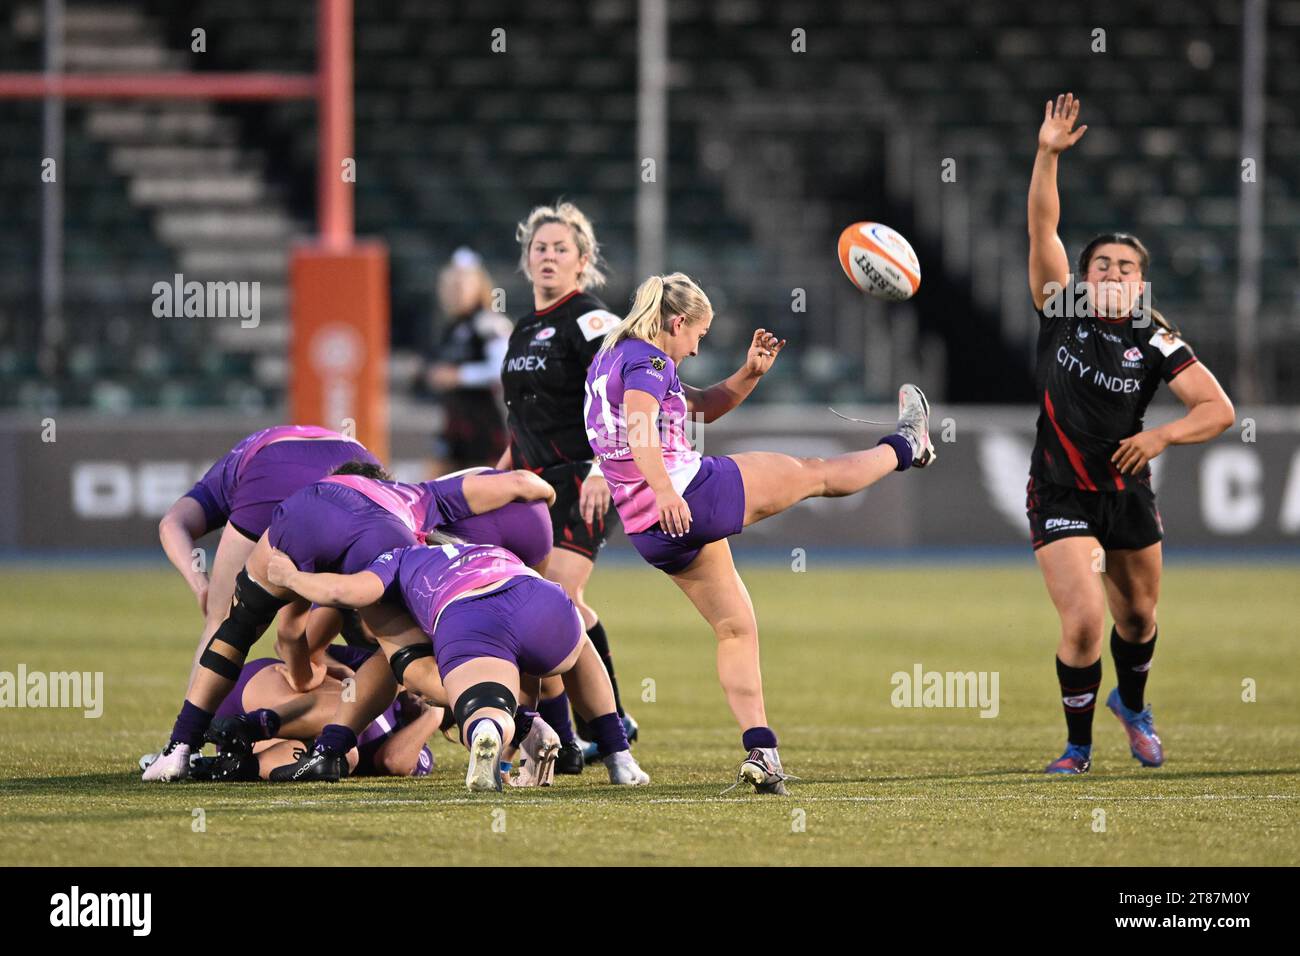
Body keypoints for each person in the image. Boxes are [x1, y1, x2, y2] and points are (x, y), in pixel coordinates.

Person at [585, 272, 935, 794]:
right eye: (698, 335)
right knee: (816, 473)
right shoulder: (650, 359)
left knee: (736, 628)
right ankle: (908, 443)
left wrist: (748, 374)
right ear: (676, 322)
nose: (698, 345)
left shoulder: (612, 357)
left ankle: (763, 752)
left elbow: (695, 407)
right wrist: (664, 488)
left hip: (651, 531)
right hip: (688, 496)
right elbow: (640, 428)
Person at [1027, 93, 1235, 774]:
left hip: (1127, 491)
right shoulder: (1063, 309)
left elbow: (1218, 409)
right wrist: (1047, 156)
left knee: (1138, 620)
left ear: (1142, 284)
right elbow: (1043, 229)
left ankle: (1133, 707)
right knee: (1085, 620)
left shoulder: (1155, 335)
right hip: (1060, 490)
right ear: (1083, 279)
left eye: (1126, 267)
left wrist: (1162, 438)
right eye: (1102, 265)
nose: (1113, 274)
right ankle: (1077, 748)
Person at [144, 461, 555, 781]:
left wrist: (294, 583)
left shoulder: (325, 493)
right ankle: (515, 722)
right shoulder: (418, 495)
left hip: (297, 516)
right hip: (380, 536)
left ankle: (179, 747)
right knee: (409, 664)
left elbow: (289, 632)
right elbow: (521, 483)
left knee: (235, 628)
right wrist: (550, 494)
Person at [266, 536, 650, 791]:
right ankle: (620, 758)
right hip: (537, 594)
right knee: (578, 646)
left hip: (467, 612)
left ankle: (486, 727)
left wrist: (290, 576)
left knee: (483, 704)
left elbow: (340, 591)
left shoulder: (397, 559)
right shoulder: (482, 546)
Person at [498, 201, 634, 772]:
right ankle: (607, 724)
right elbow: (520, 417)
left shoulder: (590, 317)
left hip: (584, 476)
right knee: (562, 601)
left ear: (583, 261)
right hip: (531, 485)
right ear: (527, 259)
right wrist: (496, 476)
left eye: (560, 249)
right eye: (540, 248)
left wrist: (607, 464)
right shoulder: (524, 326)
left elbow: (622, 390)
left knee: (555, 596)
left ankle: (571, 736)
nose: (548, 256)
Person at [201, 643, 441, 780]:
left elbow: (392, 762)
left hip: (257, 744)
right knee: (355, 710)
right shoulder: (382, 668)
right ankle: (246, 725)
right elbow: (293, 645)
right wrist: (341, 671)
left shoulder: (418, 742)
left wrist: (435, 713)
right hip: (266, 691)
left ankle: (225, 766)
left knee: (339, 755)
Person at [421, 247, 512, 472]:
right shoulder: (449, 329)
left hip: (484, 426)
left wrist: (459, 376)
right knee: (435, 491)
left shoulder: (489, 324)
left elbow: (503, 369)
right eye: (451, 286)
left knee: (488, 491)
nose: (455, 291)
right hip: (454, 423)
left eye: (462, 285)